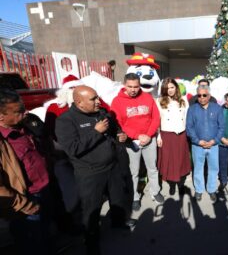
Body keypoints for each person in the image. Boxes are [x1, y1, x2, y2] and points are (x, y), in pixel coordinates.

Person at [55, 86, 131, 255]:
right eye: (93, 99)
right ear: (79, 102)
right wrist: (95, 132)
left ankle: (118, 222)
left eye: (98, 97)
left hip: (111, 167)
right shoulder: (65, 121)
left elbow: (112, 130)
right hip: (90, 173)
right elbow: (73, 149)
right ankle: (91, 241)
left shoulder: (101, 112)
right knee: (91, 209)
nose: (98, 101)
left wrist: (120, 134)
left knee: (117, 197)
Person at [0, 89, 50, 255]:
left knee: (44, 233)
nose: (26, 112)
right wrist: (24, 205)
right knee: (31, 241)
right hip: (25, 199)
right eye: (18, 111)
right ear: (1, 116)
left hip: (44, 188)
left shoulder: (24, 125)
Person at [111, 73, 164, 212]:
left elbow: (156, 117)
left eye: (136, 86)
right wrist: (136, 135)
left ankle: (155, 191)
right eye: (130, 86)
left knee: (152, 168)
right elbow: (118, 123)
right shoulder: (117, 101)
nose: (133, 89)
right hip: (131, 142)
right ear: (124, 85)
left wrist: (149, 134)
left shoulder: (147, 97)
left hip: (149, 139)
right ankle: (135, 197)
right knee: (133, 171)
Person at [186, 84, 225, 202]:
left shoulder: (217, 108)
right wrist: (198, 141)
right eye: (199, 95)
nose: (202, 97)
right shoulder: (192, 109)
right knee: (198, 168)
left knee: (213, 168)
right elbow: (189, 128)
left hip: (213, 145)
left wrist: (214, 141)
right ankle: (199, 190)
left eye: (204, 95)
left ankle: (212, 189)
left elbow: (222, 127)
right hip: (198, 146)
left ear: (209, 95)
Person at [156, 77, 191, 196]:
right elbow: (157, 121)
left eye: (172, 87)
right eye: (167, 88)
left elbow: (186, 118)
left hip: (181, 134)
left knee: (181, 160)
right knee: (170, 161)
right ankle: (171, 185)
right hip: (167, 135)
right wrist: (158, 136)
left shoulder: (183, 100)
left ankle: (181, 185)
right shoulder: (159, 101)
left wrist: (187, 134)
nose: (170, 90)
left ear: (176, 87)